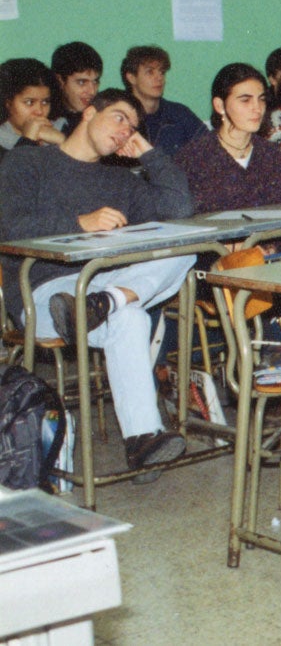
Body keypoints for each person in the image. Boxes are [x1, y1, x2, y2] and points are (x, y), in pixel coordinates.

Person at [0, 89, 195, 480]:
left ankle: (105, 302)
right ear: (89, 112)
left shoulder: (119, 179)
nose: (126, 132)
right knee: (133, 319)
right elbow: (8, 225)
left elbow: (180, 211)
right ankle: (142, 437)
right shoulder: (27, 161)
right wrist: (79, 223)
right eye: (120, 119)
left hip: (99, 290)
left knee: (184, 250)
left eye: (134, 128)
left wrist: (148, 152)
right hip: (42, 294)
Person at [174, 63, 281, 214]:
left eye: (261, 99)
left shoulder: (273, 155)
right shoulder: (193, 158)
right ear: (220, 105)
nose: (257, 108)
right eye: (245, 100)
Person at [120, 45, 207, 157]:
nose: (159, 78)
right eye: (150, 72)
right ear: (131, 78)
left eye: (162, 72)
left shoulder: (179, 114)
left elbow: (211, 150)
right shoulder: (119, 118)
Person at [0, 58, 64, 156]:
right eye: (29, 102)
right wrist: (28, 140)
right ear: (8, 103)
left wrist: (64, 142)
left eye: (45, 102)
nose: (39, 111)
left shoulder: (63, 127)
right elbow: (12, 170)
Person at [50, 41, 103, 133]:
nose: (92, 91)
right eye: (82, 82)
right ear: (60, 81)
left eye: (95, 81)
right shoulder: (46, 118)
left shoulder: (102, 115)